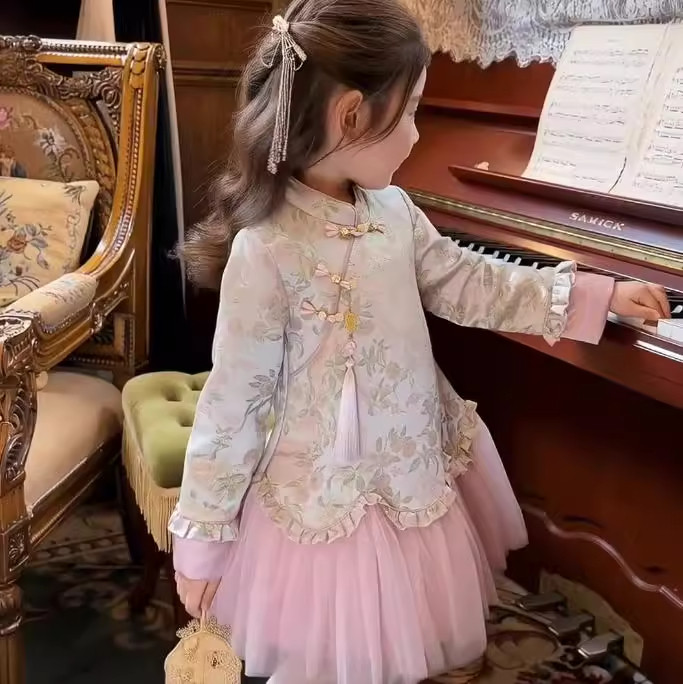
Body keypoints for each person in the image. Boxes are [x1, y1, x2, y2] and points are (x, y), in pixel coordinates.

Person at [169, 1, 670, 682]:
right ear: (351, 115)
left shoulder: (396, 211)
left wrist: (591, 295)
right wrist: (202, 538)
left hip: (408, 468)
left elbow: (468, 281)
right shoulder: (266, 248)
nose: (415, 134)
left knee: (408, 631)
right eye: (408, 112)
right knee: (334, 652)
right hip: (320, 494)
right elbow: (233, 406)